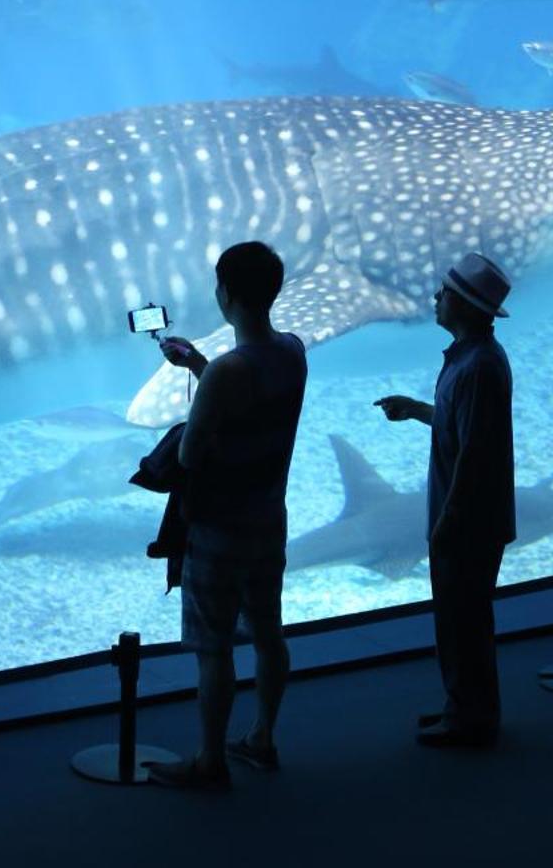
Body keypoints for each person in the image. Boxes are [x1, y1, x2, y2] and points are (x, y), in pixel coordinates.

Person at [144, 241, 308, 790]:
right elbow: (252, 388)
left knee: (213, 648)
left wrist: (202, 384)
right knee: (268, 631)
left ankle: (210, 760)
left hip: (218, 528)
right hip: (268, 519)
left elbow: (191, 455)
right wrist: (197, 364)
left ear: (226, 295)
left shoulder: (227, 374)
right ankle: (262, 737)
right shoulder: (292, 350)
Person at [374, 251, 515, 749]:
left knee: (465, 624)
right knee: (458, 621)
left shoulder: (478, 367)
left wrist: (449, 520)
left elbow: (475, 457)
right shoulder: (469, 358)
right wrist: (417, 410)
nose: (435, 298)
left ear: (465, 304)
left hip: (467, 521)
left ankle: (473, 720)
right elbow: (463, 426)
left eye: (444, 292)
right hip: (462, 516)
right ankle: (464, 707)